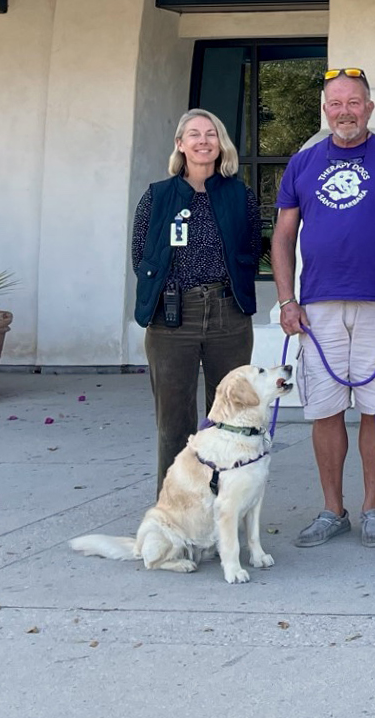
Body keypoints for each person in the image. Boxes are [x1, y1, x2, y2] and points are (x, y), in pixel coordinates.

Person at [273, 68, 375, 550]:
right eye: (336, 103)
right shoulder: (302, 164)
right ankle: (332, 509)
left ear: (370, 107)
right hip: (317, 306)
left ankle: (371, 509)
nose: (345, 111)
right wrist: (285, 300)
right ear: (325, 108)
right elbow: (281, 237)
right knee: (325, 410)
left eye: (354, 102)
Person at [131, 109, 261, 493]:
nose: (203, 141)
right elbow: (141, 255)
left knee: (231, 418)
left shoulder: (240, 195)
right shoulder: (158, 195)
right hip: (173, 318)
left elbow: (253, 250)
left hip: (228, 315)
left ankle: (224, 506)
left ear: (221, 144)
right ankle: (175, 515)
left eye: (211, 134)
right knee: (174, 424)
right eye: (194, 134)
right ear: (180, 144)